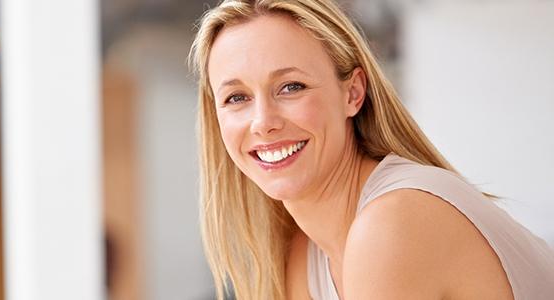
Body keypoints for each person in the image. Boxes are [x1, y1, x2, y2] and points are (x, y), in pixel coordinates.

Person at [188, 0, 554, 299]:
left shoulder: (393, 222)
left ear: (353, 93)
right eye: (237, 97)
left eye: (291, 87)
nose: (263, 121)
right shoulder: (305, 257)